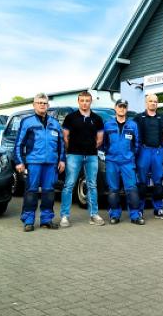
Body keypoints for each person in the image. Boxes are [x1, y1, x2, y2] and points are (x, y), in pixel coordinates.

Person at [15, 93, 66, 231]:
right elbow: (19, 143)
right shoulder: (27, 122)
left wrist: (62, 160)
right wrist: (19, 161)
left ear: (48, 105)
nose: (42, 105)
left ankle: (46, 220)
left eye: (44, 103)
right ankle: (28, 220)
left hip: (51, 164)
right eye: (39, 103)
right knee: (31, 191)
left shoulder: (55, 123)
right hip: (34, 163)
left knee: (49, 192)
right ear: (34, 105)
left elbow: (61, 144)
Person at [60, 91, 105, 227]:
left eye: (87, 100)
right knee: (69, 184)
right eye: (82, 100)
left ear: (91, 102)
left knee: (92, 185)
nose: (85, 103)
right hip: (74, 155)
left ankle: (94, 214)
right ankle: (64, 216)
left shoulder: (97, 119)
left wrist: (89, 148)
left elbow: (100, 139)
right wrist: (73, 149)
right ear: (78, 101)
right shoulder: (70, 118)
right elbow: (65, 137)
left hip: (91, 156)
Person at [102, 99, 144, 225]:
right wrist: (110, 153)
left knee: (132, 190)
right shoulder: (108, 125)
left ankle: (135, 215)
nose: (122, 109)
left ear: (127, 109)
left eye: (124, 107)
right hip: (112, 162)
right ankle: (114, 214)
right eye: (120, 106)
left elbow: (137, 144)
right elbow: (104, 143)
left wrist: (130, 155)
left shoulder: (133, 125)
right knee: (113, 190)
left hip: (127, 162)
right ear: (115, 108)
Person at [134, 93, 163, 220]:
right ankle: (139, 210)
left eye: (155, 101)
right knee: (142, 182)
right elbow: (134, 134)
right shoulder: (139, 118)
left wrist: (161, 144)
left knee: (158, 182)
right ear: (146, 103)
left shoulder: (162, 118)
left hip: (158, 152)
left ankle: (158, 209)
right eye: (151, 101)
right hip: (144, 151)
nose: (153, 103)